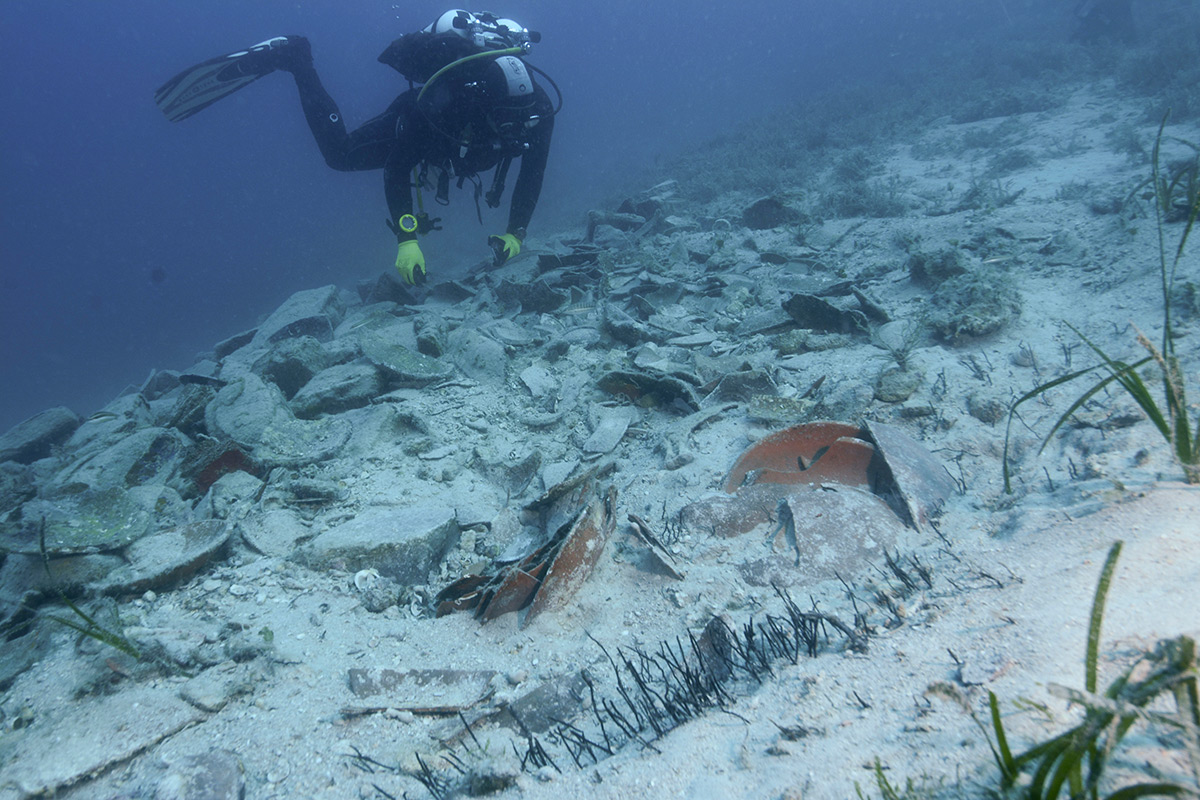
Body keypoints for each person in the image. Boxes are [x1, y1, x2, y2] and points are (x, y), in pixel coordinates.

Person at [155, 10, 558, 286]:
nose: (513, 135)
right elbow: (398, 167)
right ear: (484, 109)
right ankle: (297, 58)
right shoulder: (445, 107)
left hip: (451, 140)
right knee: (339, 155)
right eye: (503, 125)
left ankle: (295, 58)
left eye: (517, 128)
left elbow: (533, 172)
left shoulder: (538, 110)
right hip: (421, 127)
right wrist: (407, 239)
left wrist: (515, 234)